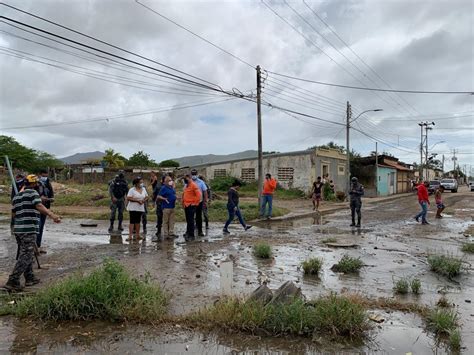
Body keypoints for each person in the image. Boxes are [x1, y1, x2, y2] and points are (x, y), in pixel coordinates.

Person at [4, 175, 61, 292]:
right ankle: (13, 280)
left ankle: (30, 277)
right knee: (25, 256)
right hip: (28, 229)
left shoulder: (17, 196)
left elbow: (14, 214)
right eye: (38, 184)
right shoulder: (33, 194)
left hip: (19, 230)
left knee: (27, 253)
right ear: (35, 184)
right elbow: (39, 205)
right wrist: (52, 215)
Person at [37, 169, 54, 254]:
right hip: (37, 208)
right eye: (43, 176)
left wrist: (50, 199)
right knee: (38, 227)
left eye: (46, 176)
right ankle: (35, 247)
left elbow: (51, 193)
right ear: (39, 175)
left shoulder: (47, 183)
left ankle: (38, 246)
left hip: (45, 207)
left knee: (41, 228)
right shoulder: (36, 184)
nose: (45, 177)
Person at [156, 176, 177, 240]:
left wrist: (177, 197)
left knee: (172, 221)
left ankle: (171, 232)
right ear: (165, 182)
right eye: (169, 180)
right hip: (166, 207)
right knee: (165, 221)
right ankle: (166, 233)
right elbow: (158, 196)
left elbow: (173, 195)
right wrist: (164, 198)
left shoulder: (172, 188)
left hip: (172, 207)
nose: (171, 181)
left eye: (171, 180)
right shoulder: (163, 188)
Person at [182, 174, 201, 241]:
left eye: (186, 179)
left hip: (191, 205)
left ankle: (192, 235)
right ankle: (188, 233)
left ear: (190, 178)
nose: (185, 180)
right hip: (186, 205)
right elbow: (185, 194)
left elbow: (199, 195)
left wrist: (195, 203)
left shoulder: (193, 185)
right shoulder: (187, 185)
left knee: (191, 221)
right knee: (188, 221)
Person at [190, 169, 208, 237]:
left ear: (197, 174)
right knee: (190, 217)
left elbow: (205, 191)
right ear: (191, 174)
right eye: (193, 174)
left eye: (195, 174)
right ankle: (189, 232)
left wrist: (205, 201)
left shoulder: (201, 182)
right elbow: (185, 191)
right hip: (190, 202)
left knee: (199, 217)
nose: (194, 176)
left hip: (199, 202)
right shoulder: (188, 182)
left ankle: (200, 231)